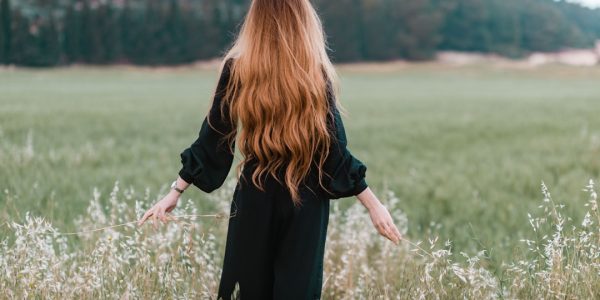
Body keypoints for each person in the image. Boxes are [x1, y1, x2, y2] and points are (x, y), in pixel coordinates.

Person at [138, 0, 402, 299]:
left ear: (256, 18)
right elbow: (333, 151)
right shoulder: (313, 71)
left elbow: (214, 139)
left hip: (255, 195)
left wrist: (176, 191)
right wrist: (373, 204)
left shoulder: (238, 66)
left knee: (248, 292)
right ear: (302, 18)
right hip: (308, 200)